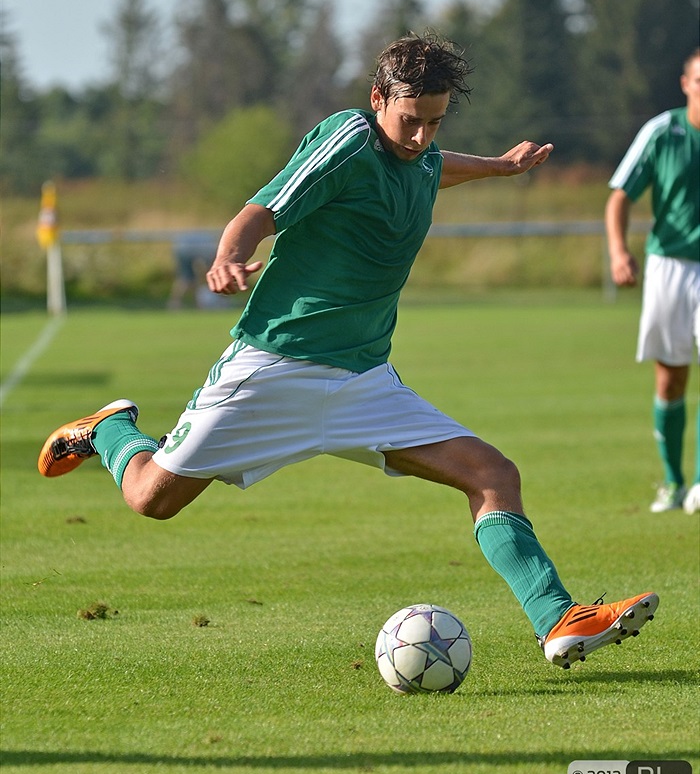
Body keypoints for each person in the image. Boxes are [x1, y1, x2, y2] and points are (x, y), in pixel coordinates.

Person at [39, 33, 658, 669]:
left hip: (366, 384)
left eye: (435, 122)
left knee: (494, 474)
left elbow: (434, 166)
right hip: (275, 368)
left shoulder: (420, 155)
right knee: (151, 498)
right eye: (410, 120)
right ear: (377, 99)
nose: (420, 135)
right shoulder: (349, 140)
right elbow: (262, 207)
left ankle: (558, 617)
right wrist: (227, 257)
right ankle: (113, 429)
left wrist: (499, 167)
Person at [605, 48, 700, 515]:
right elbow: (621, 195)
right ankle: (673, 481)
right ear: (686, 83)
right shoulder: (663, 132)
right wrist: (619, 251)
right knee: (671, 378)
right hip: (671, 268)